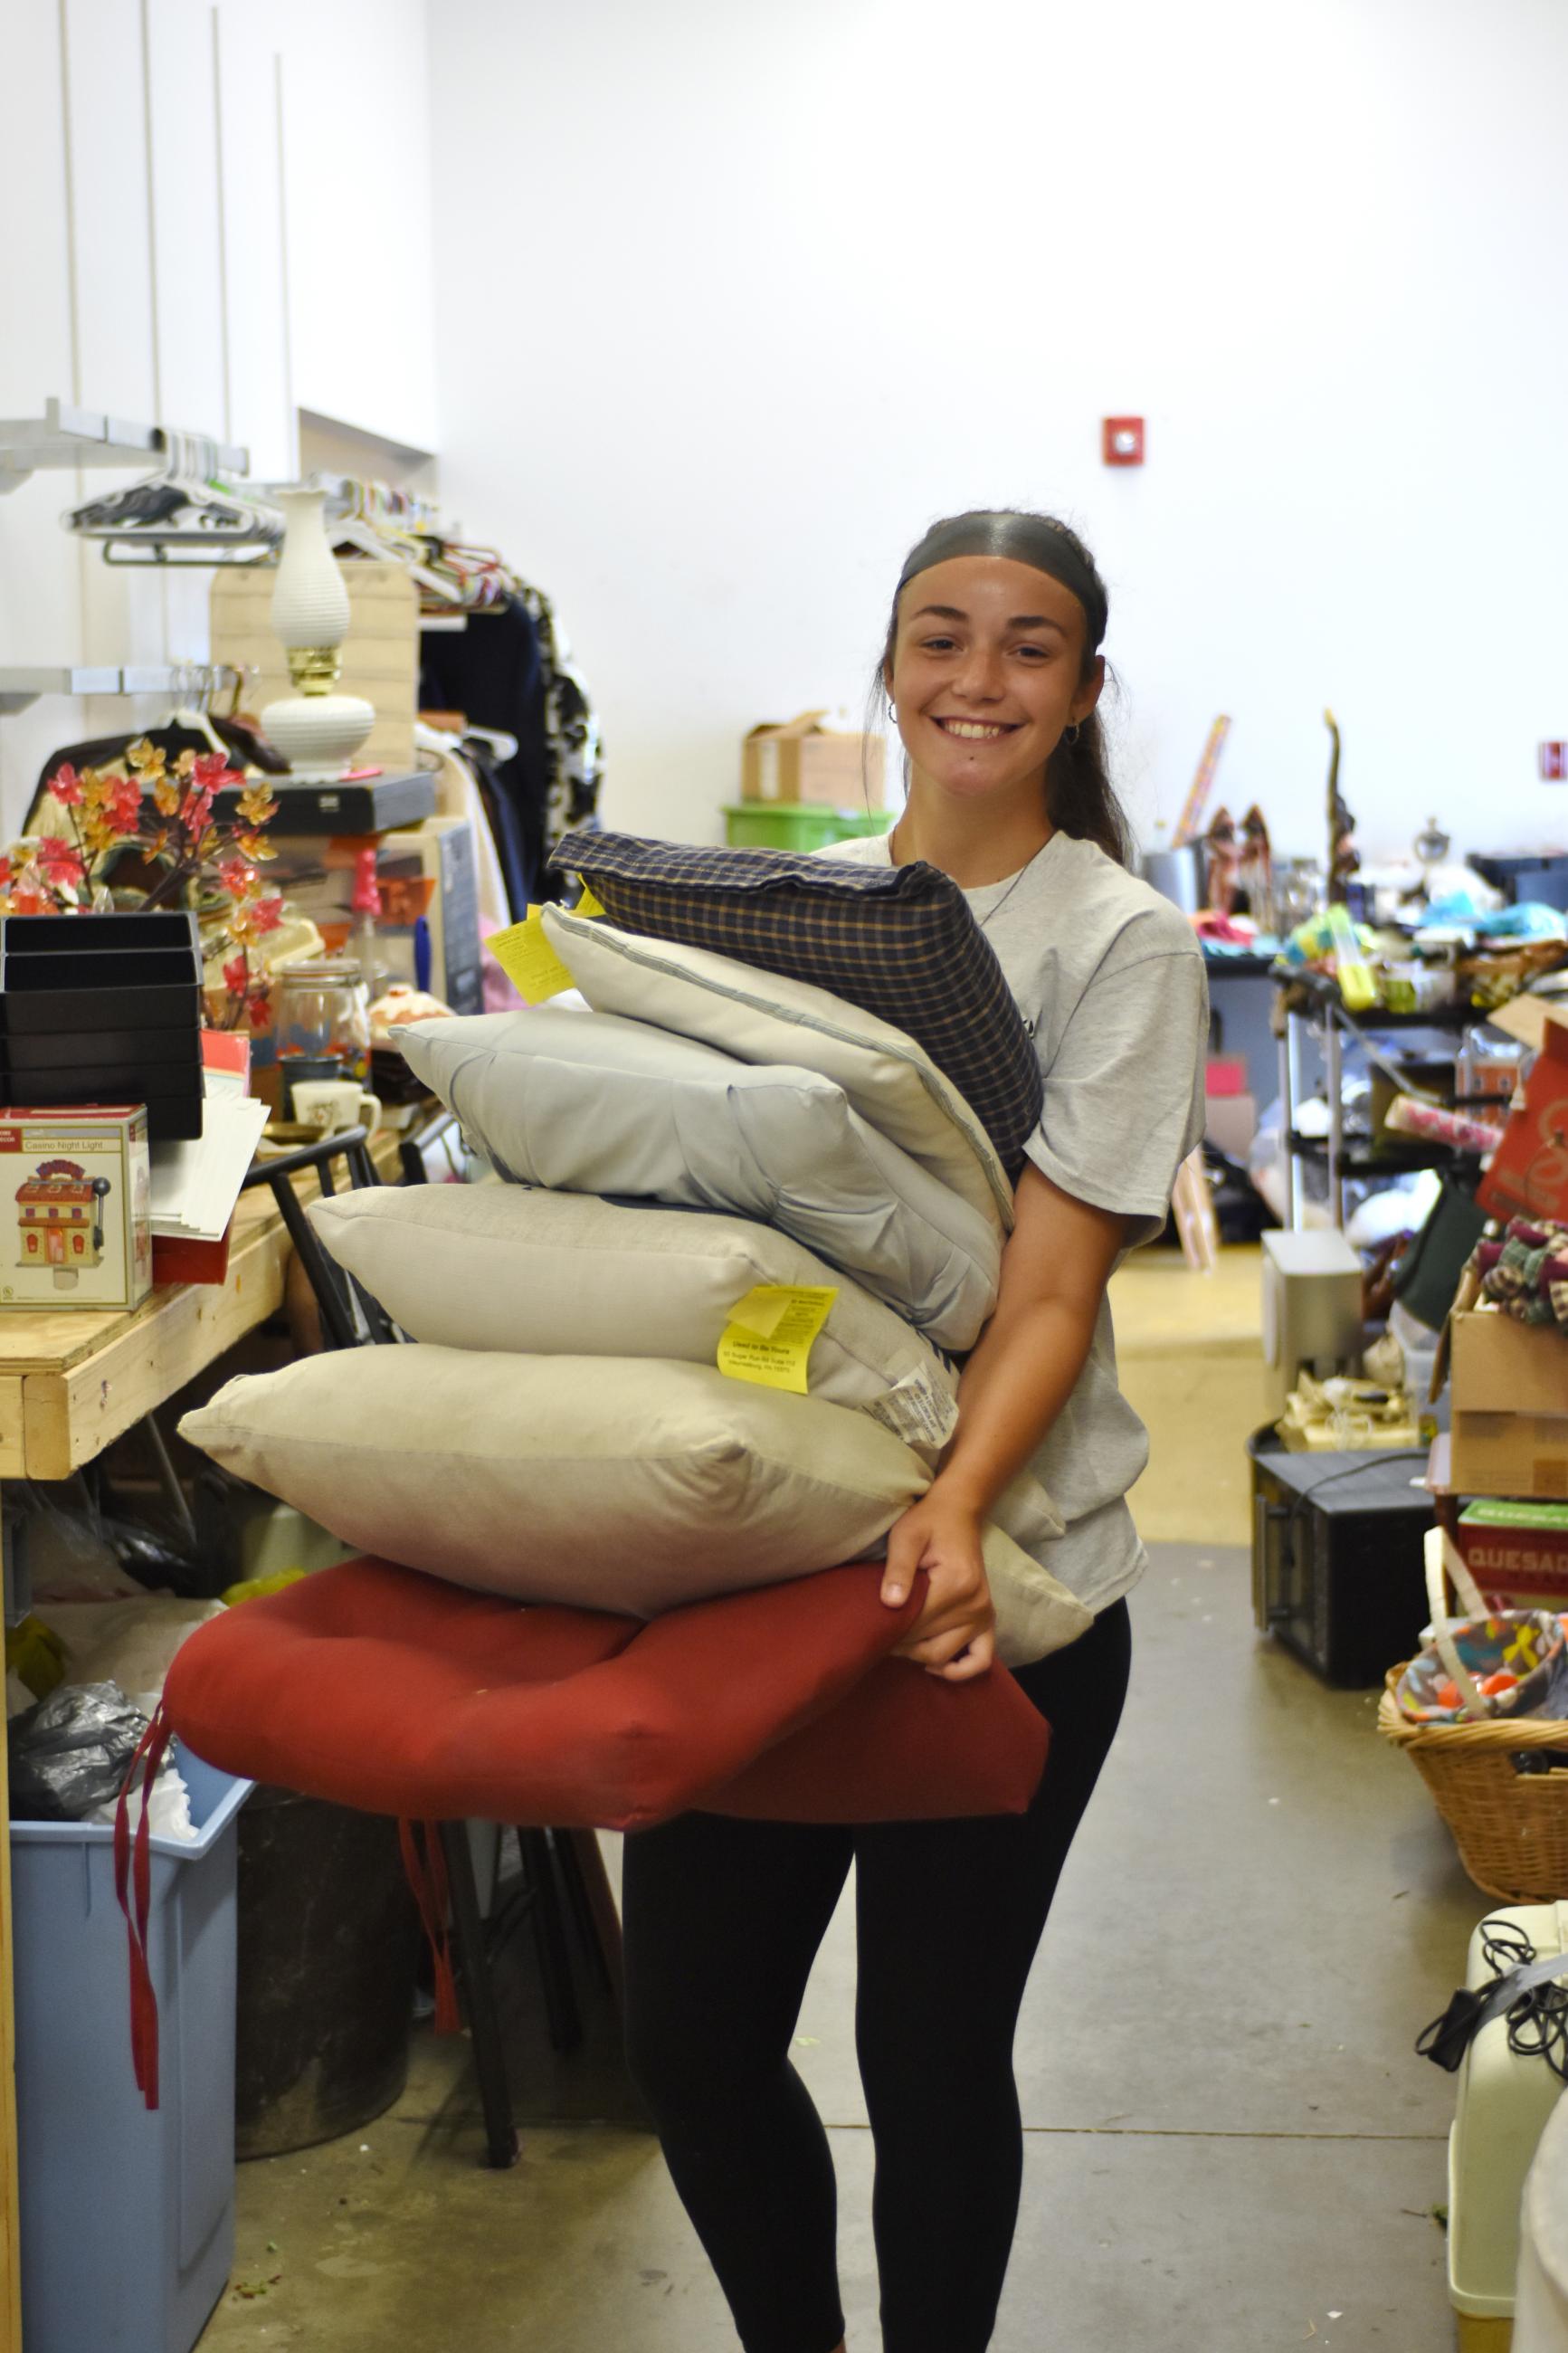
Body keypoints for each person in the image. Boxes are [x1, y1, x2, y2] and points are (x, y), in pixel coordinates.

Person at [621, 510, 1210, 2353]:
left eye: (1029, 646)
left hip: (1004, 1585)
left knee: (930, 2043)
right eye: (941, 635)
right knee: (695, 2034)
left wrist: (955, 1507)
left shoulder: (1117, 941)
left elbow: (1049, 1289)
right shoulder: (780, 918)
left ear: (1084, 690)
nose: (978, 678)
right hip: (767, 1556)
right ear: (888, 662)